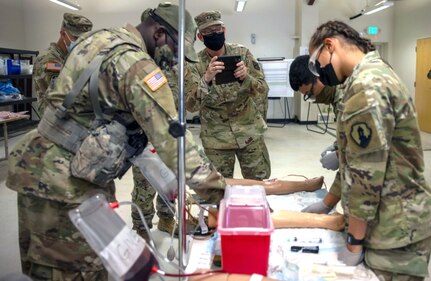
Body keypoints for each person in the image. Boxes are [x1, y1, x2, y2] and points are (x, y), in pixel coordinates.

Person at [6, 3, 226, 279]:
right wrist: (222, 195)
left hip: (42, 165)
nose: (174, 62)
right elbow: (174, 141)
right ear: (159, 33)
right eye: (176, 52)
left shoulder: (102, 39)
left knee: (48, 264)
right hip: (66, 184)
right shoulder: (138, 66)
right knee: (78, 270)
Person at [308, 20, 431, 280]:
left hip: (393, 231)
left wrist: (354, 240)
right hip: (394, 222)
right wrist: (328, 202)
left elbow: (366, 174)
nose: (319, 73)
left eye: (317, 63)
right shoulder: (375, 73)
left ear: (329, 46)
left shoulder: (366, 86)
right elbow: (355, 162)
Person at [187, 11, 271, 181]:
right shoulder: (194, 64)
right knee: (220, 189)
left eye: (217, 30)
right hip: (216, 139)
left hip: (249, 133)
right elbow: (191, 106)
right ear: (200, 37)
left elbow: (263, 89)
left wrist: (246, 78)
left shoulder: (243, 53)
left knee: (258, 184)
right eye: (208, 33)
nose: (215, 35)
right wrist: (206, 80)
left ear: (224, 30)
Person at [289, 54, 342, 214]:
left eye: (310, 93)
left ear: (317, 77)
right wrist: (337, 145)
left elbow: (358, 160)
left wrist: (326, 203)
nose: (314, 99)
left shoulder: (346, 98)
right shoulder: (337, 94)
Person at [33, 13, 93, 115]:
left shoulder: (72, 57)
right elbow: (62, 94)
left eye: (85, 39)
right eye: (76, 38)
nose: (81, 42)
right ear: (63, 34)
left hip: (68, 117)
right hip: (53, 121)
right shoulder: (49, 61)